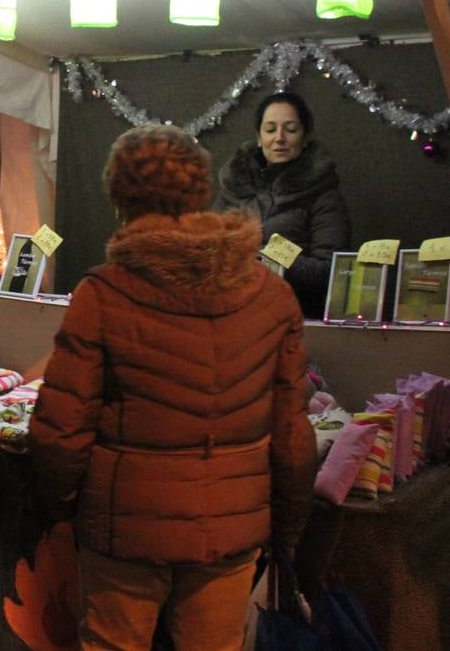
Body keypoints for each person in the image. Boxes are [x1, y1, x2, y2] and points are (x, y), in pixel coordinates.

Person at [29, 124, 317, 651]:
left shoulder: (102, 294)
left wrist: (64, 508)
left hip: (123, 532)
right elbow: (294, 439)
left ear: (120, 201)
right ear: (201, 191)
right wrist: (287, 528)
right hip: (231, 532)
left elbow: (59, 432)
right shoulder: (271, 297)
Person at [215, 91, 351, 317]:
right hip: (233, 316)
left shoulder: (324, 195)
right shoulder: (233, 189)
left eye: (290, 129)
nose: (279, 137)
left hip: (295, 317)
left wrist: (264, 258)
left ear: (305, 137)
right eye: (270, 129)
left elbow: (332, 271)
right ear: (259, 138)